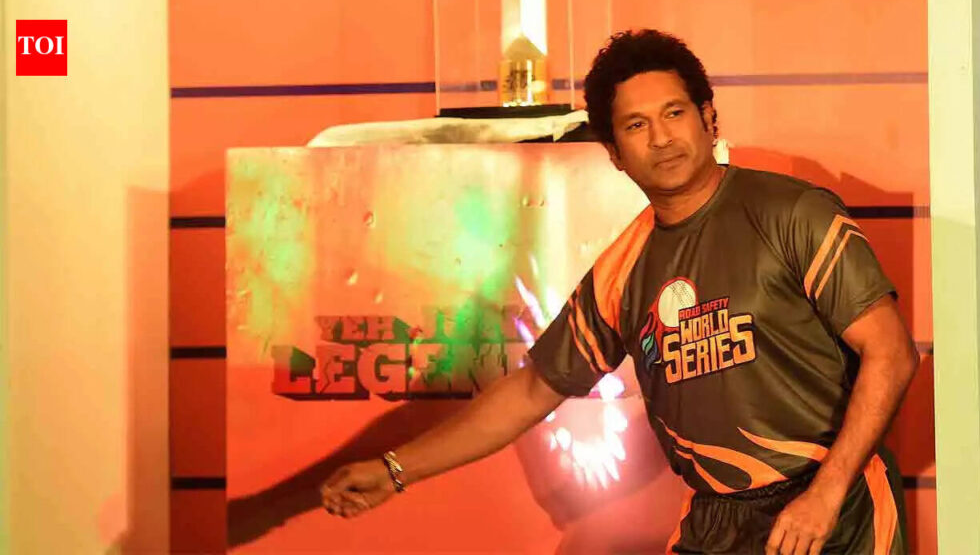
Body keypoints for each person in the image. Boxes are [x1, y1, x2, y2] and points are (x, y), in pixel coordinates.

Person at [320, 29, 919, 555]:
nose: (660, 138)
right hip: (716, 522)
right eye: (636, 125)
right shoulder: (623, 270)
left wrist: (827, 493)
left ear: (709, 118)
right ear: (613, 153)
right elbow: (530, 391)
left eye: (674, 113)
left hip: (836, 511)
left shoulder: (793, 212)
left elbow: (891, 354)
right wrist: (395, 470)